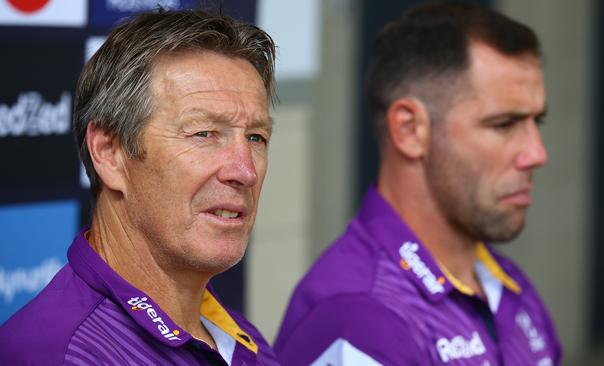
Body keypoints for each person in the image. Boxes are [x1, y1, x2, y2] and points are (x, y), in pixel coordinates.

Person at [275, 2, 562, 365]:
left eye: (537, 122)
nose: (536, 153)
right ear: (410, 130)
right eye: (504, 125)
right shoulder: (359, 315)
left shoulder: (510, 287)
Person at [0, 8, 280, 366]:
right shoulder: (63, 355)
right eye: (204, 133)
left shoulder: (244, 341)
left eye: (256, 137)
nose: (245, 171)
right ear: (109, 153)